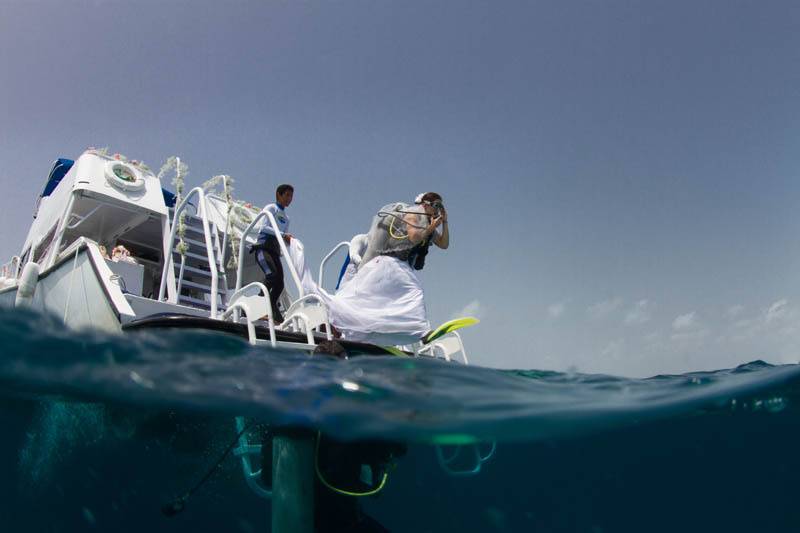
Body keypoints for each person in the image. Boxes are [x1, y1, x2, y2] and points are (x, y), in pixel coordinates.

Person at [252, 184, 294, 323]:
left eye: (291, 196)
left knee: (280, 284)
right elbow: (262, 226)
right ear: (279, 195)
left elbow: (282, 237)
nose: (289, 198)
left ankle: (270, 309)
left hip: (275, 250)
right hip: (263, 247)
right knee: (271, 276)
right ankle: (258, 309)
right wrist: (283, 234)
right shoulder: (271, 209)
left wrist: (290, 241)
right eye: (287, 195)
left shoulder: (286, 218)